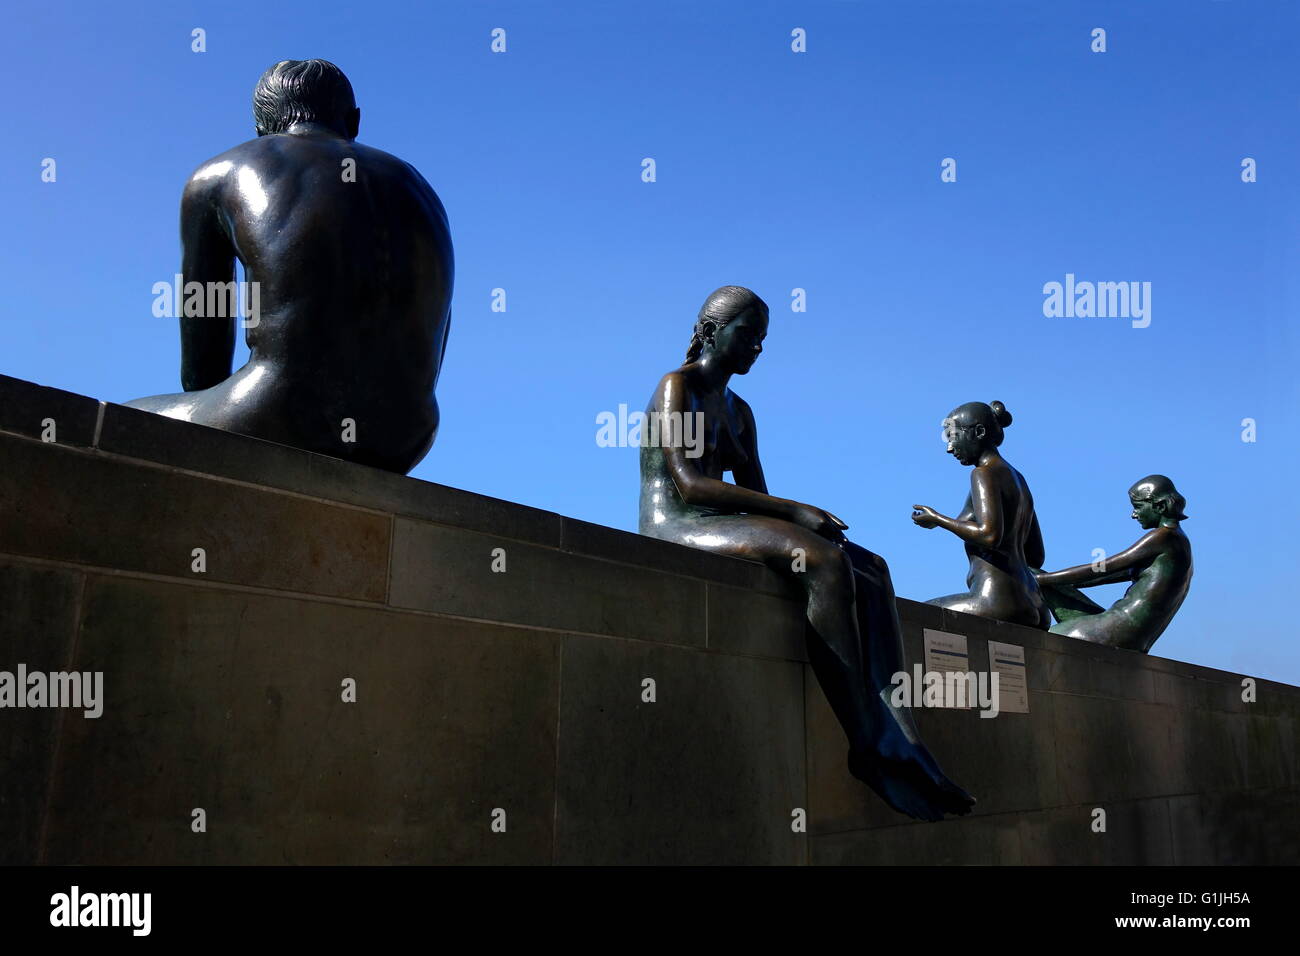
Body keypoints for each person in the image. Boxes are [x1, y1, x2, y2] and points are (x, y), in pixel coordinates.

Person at [639, 286, 973, 821]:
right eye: (748, 336)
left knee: (873, 567)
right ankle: (866, 741)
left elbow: (759, 495)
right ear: (709, 331)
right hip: (676, 523)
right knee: (821, 560)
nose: (757, 349)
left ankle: (901, 730)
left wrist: (798, 517)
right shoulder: (678, 386)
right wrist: (798, 514)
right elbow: (690, 484)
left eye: (763, 339)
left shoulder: (741, 411)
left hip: (722, 523)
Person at [126, 59, 454, 474]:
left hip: (273, 415)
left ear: (262, 126)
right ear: (354, 121)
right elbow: (436, 330)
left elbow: (204, 344)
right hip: (407, 436)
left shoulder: (218, 174)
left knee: (122, 417)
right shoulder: (419, 188)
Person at [912, 401, 1050, 629]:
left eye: (953, 436)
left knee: (911, 616)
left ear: (979, 432)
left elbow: (989, 535)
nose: (949, 448)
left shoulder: (983, 474)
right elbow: (1036, 556)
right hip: (1033, 602)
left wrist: (938, 519)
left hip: (997, 600)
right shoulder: (1019, 480)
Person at [1034, 476, 1192, 652]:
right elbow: (1107, 575)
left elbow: (1102, 568)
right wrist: (1052, 581)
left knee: (1040, 640)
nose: (1134, 515)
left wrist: (1041, 579)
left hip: (1118, 629)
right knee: (1047, 586)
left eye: (1138, 507)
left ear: (1160, 506)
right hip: (1134, 636)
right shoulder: (1178, 543)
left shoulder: (1163, 537)